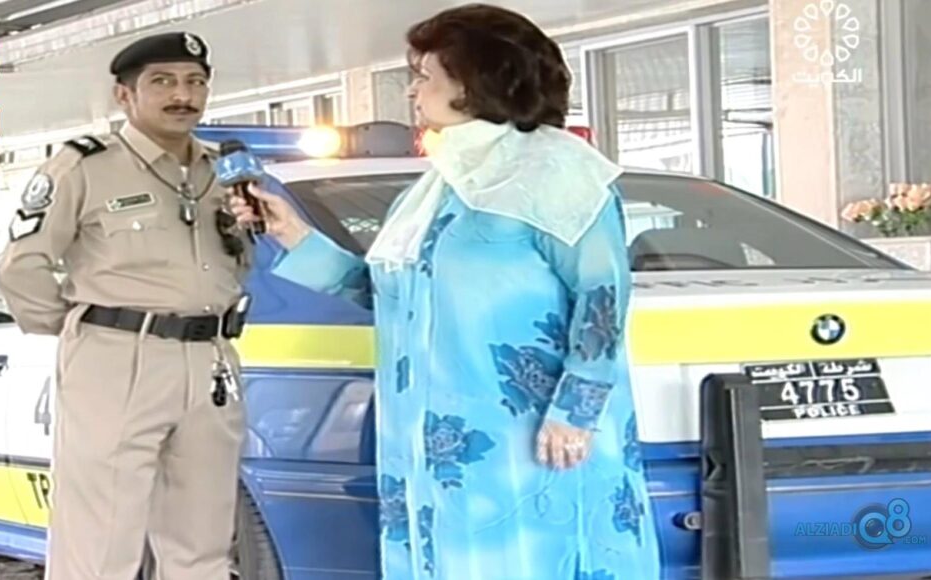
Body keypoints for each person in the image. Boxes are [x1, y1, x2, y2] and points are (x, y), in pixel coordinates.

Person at [230, 5, 660, 579]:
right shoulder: (437, 188)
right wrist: (291, 234)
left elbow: (602, 296)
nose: (412, 90)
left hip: (530, 433)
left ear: (473, 80)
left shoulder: (559, 173)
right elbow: (387, 295)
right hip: (431, 444)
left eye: (424, 76)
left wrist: (575, 411)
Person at [0, 31, 253, 580]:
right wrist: (81, 328)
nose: (182, 95)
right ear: (125, 95)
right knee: (101, 544)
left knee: (204, 543)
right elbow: (21, 265)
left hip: (210, 359)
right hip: (116, 359)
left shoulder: (224, 172)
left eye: (195, 82)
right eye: (162, 82)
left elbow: (244, 260)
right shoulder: (85, 166)